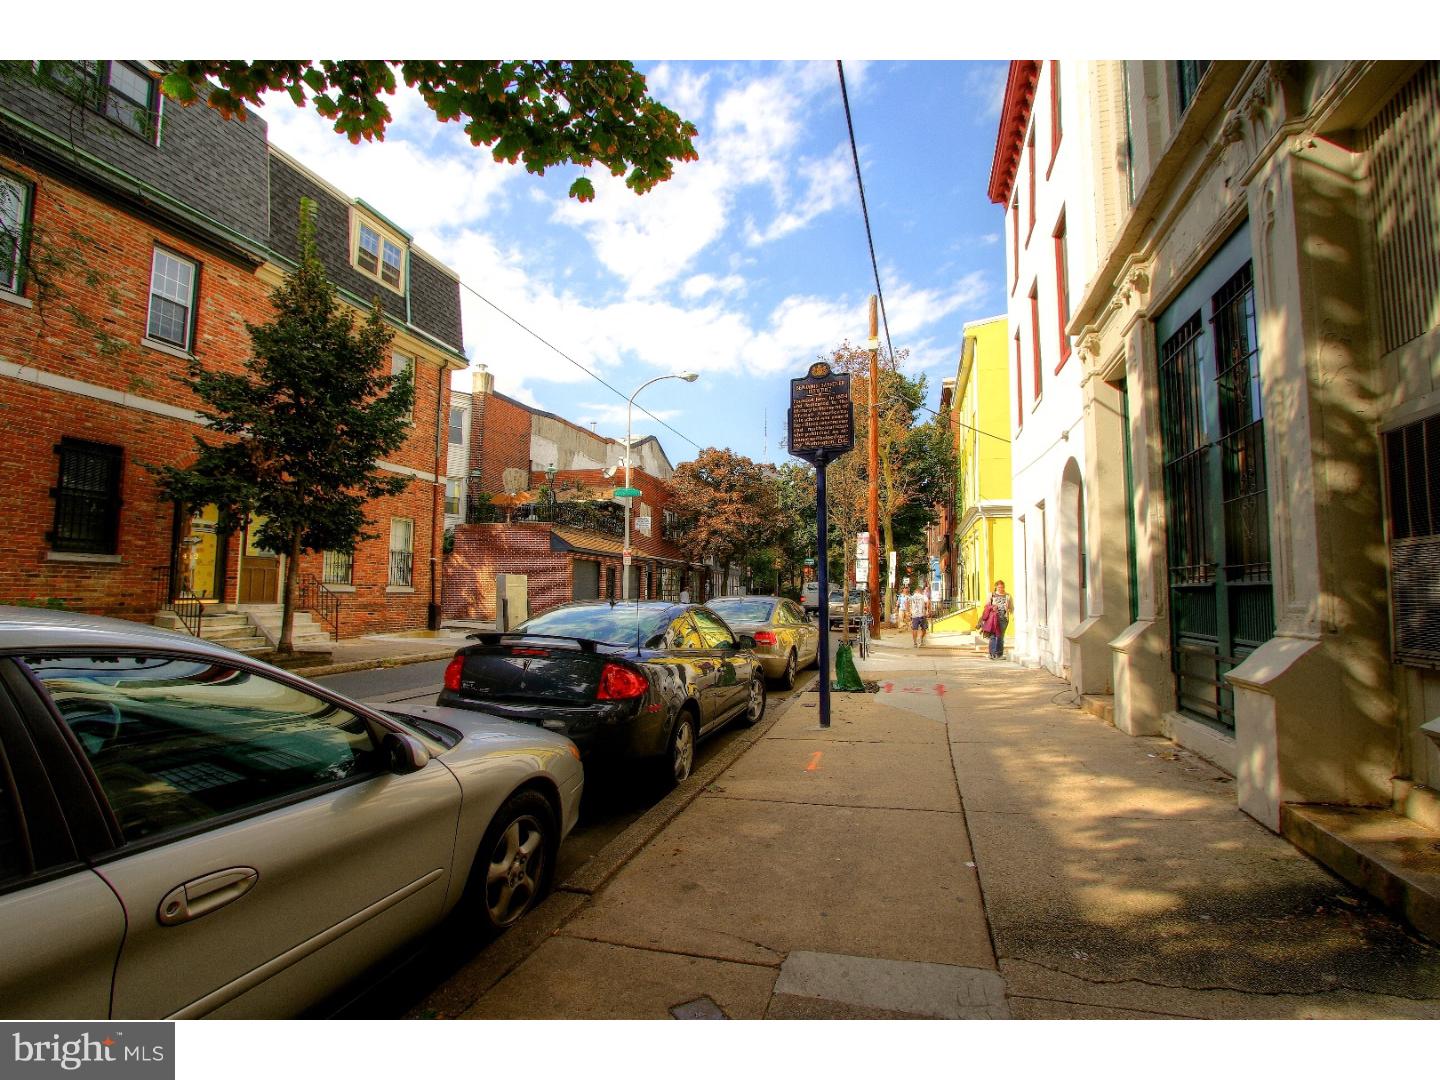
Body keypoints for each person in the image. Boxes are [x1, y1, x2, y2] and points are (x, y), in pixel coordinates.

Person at [982, 580, 1011, 660]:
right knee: (993, 636)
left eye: (1002, 587)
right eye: (999, 587)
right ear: (996, 587)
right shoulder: (991, 595)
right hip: (994, 618)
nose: (1000, 589)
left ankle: (999, 654)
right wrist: (993, 606)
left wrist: (1012, 615)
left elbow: (1011, 607)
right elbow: (986, 606)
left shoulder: (1007, 596)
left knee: (1001, 637)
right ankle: (992, 654)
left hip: (1003, 619)